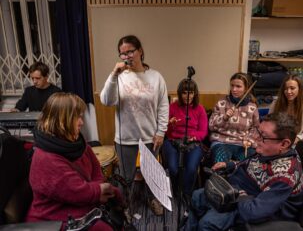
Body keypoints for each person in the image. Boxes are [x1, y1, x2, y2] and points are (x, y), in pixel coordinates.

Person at [185, 113, 303, 230]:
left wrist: (239, 193)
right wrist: (230, 164)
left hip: (252, 206)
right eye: (258, 132)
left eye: (263, 136)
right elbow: (250, 164)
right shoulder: (269, 151)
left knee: (207, 223)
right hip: (239, 192)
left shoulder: (285, 176)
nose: (256, 138)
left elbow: (254, 212)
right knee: (197, 197)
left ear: (284, 144)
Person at [26, 93, 123, 230]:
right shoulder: (46, 159)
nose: (81, 122)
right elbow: (77, 191)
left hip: (80, 202)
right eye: (77, 117)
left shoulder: (76, 141)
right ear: (61, 120)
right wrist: (99, 191)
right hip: (54, 218)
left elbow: (96, 171)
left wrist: (99, 188)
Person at [100, 35, 169, 214]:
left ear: (140, 51)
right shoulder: (119, 77)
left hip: (150, 136)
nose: (127, 56)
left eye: (130, 51)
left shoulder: (155, 77)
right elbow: (106, 101)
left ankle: (154, 200)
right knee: (126, 176)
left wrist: (161, 132)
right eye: (122, 54)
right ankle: (125, 206)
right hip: (126, 138)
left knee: (151, 174)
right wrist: (114, 74)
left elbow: (163, 106)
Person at [162, 79, 208, 198]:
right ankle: (175, 190)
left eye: (191, 92)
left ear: (195, 93)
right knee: (173, 168)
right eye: (184, 92)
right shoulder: (172, 107)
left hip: (193, 142)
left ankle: (186, 193)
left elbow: (203, 132)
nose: (188, 96)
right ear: (179, 93)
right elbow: (165, 132)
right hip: (173, 141)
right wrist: (170, 124)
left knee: (191, 168)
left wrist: (194, 137)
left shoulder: (200, 109)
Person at [209, 73, 260, 170]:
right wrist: (224, 118)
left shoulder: (252, 107)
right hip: (221, 142)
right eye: (232, 85)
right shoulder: (222, 103)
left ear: (246, 88)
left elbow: (256, 129)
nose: (234, 89)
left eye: (238, 86)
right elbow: (211, 126)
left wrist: (249, 139)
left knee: (250, 166)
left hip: (242, 143)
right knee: (220, 163)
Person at [269, 74, 303, 145]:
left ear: (299, 89)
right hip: (275, 140)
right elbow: (269, 123)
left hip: (295, 143)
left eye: (292, 88)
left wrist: (297, 138)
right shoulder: (275, 103)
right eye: (286, 88)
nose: (288, 91)